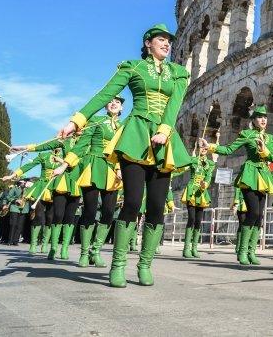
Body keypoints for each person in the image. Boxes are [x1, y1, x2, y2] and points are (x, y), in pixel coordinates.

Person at [57, 23, 193, 287]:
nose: (167, 44)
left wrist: (165, 131)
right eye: (161, 40)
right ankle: (117, 265)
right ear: (148, 43)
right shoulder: (133, 67)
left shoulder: (178, 73)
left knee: (155, 206)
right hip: (136, 135)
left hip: (164, 139)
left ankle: (144, 265)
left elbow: (175, 103)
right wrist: (77, 120)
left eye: (169, 41)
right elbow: (105, 94)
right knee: (131, 202)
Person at [201, 105, 273, 266]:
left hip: (264, 176)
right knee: (253, 212)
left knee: (259, 217)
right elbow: (229, 149)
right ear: (253, 120)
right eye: (259, 117)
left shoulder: (271, 138)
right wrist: (210, 147)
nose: (263, 119)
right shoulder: (247, 134)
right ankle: (242, 251)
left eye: (265, 117)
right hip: (250, 175)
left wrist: (264, 150)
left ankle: (251, 252)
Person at [60, 96, 125, 267]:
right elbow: (81, 144)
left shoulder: (123, 126)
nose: (113, 103)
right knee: (89, 210)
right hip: (94, 165)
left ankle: (96, 251)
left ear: (122, 108)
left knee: (109, 211)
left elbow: (122, 149)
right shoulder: (96, 121)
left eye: (117, 102)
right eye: (110, 101)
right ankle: (84, 251)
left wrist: (119, 167)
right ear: (106, 106)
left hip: (112, 170)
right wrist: (65, 164)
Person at [181, 147, 216, 259]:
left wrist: (205, 184)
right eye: (201, 148)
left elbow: (209, 176)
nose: (203, 150)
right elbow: (183, 166)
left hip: (201, 193)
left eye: (205, 148)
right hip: (191, 190)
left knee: (198, 220)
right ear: (197, 149)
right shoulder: (193, 160)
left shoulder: (209, 164)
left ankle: (194, 247)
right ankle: (186, 248)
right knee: (191, 218)